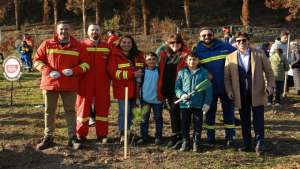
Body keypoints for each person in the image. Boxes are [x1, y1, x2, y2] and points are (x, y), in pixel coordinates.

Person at [34, 21, 89, 150]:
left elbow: (86, 64)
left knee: (70, 111)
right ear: (57, 31)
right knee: (49, 111)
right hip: (50, 83)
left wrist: (74, 71)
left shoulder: (78, 46)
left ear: (71, 30)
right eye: (61, 29)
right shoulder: (47, 44)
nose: (64, 31)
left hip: (69, 85)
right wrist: (48, 71)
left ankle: (72, 138)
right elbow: (36, 61)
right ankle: (48, 137)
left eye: (66, 29)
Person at [224, 32, 275, 156]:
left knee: (258, 120)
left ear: (248, 41)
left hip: (258, 92)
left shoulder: (259, 54)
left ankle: (259, 144)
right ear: (235, 42)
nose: (241, 43)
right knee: (245, 120)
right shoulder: (230, 57)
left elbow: (269, 72)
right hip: (240, 94)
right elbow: (227, 77)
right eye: (239, 41)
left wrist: (270, 86)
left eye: (244, 40)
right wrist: (229, 90)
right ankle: (247, 144)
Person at [193, 27, 236, 146]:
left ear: (213, 35)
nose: (207, 37)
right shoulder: (197, 51)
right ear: (200, 37)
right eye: (204, 35)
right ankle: (210, 138)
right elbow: (194, 66)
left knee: (229, 113)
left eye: (209, 35)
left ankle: (230, 137)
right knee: (209, 113)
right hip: (208, 89)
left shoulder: (225, 47)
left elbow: (238, 55)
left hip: (226, 87)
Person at [76, 23, 111, 143]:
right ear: (87, 32)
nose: (94, 32)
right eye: (92, 30)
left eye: (97, 30)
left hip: (103, 82)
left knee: (102, 109)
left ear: (100, 32)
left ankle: (102, 135)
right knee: (83, 108)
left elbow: (113, 63)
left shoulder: (107, 46)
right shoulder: (81, 45)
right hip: (85, 82)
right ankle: (81, 134)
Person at [107, 35, 145, 143]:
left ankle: (129, 131)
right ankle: (123, 133)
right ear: (119, 43)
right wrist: (132, 74)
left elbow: (143, 66)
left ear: (132, 44)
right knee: (124, 112)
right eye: (124, 42)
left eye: (129, 42)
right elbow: (113, 72)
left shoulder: (138, 55)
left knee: (132, 112)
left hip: (136, 88)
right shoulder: (115, 56)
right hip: (122, 88)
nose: (126, 44)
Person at [157, 33, 189, 149]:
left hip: (180, 90)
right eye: (172, 43)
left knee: (181, 113)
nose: (175, 45)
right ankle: (176, 135)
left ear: (181, 43)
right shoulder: (164, 55)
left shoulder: (186, 55)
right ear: (168, 43)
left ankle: (183, 137)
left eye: (177, 42)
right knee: (172, 113)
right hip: (167, 89)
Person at [175, 54, 212, 152]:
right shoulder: (181, 73)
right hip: (184, 104)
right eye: (190, 59)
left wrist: (207, 103)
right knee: (184, 123)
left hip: (198, 104)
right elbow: (177, 87)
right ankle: (185, 142)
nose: (192, 61)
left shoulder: (204, 72)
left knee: (198, 123)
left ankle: (196, 142)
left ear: (198, 61)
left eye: (194, 60)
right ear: (186, 61)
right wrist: (181, 95)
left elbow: (208, 89)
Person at [137, 52, 163, 145]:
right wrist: (138, 98)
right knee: (144, 119)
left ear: (157, 61)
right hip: (145, 99)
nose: (151, 61)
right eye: (149, 59)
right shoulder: (142, 71)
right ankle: (144, 137)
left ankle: (158, 137)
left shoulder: (160, 71)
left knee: (158, 118)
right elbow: (138, 85)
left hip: (158, 99)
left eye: (153, 59)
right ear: (145, 61)